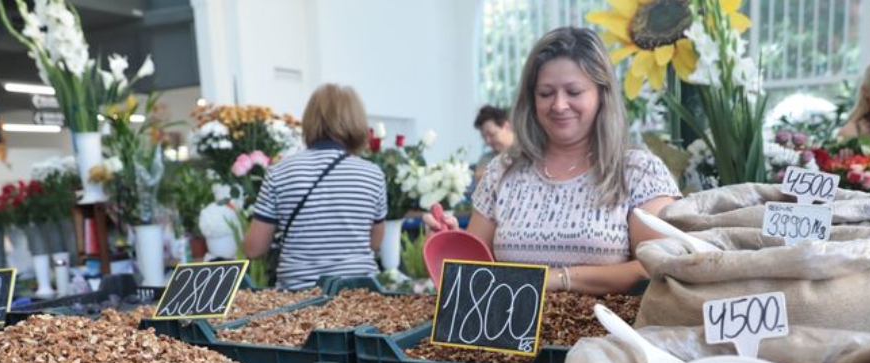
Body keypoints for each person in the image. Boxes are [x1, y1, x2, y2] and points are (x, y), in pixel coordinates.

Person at [425, 27, 681, 295]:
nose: (559, 105)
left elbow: (660, 265)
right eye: (546, 93)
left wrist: (557, 279)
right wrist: (450, 245)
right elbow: (471, 277)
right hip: (510, 336)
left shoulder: (638, 171)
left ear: (601, 94)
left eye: (574, 91)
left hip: (611, 334)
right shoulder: (502, 171)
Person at [243, 83, 386, 290]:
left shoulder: (280, 172)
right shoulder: (372, 174)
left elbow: (254, 249)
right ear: (356, 121)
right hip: (361, 295)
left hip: (299, 300)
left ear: (310, 121)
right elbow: (374, 242)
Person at [473, 105, 515, 184]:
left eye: (492, 134)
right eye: (484, 136)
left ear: (506, 127)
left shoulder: (528, 152)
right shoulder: (484, 160)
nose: (488, 141)